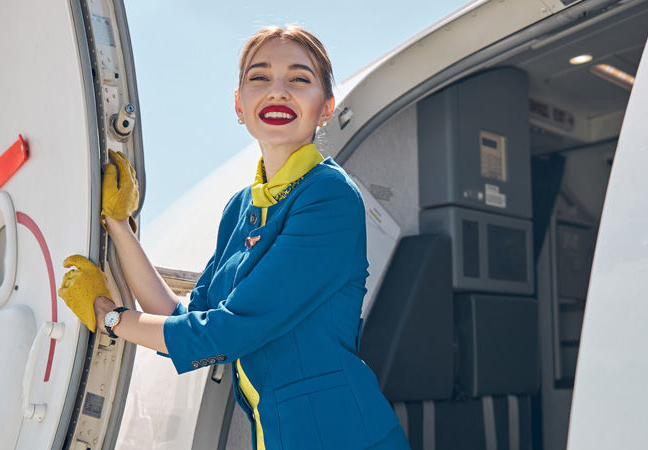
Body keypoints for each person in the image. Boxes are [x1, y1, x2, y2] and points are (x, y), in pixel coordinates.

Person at [58, 25, 410, 450]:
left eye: (299, 79)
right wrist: (119, 224)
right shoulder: (240, 208)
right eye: (259, 78)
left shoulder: (329, 197)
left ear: (326, 108)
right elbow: (180, 319)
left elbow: (224, 334)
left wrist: (109, 318)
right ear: (239, 105)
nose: (278, 91)